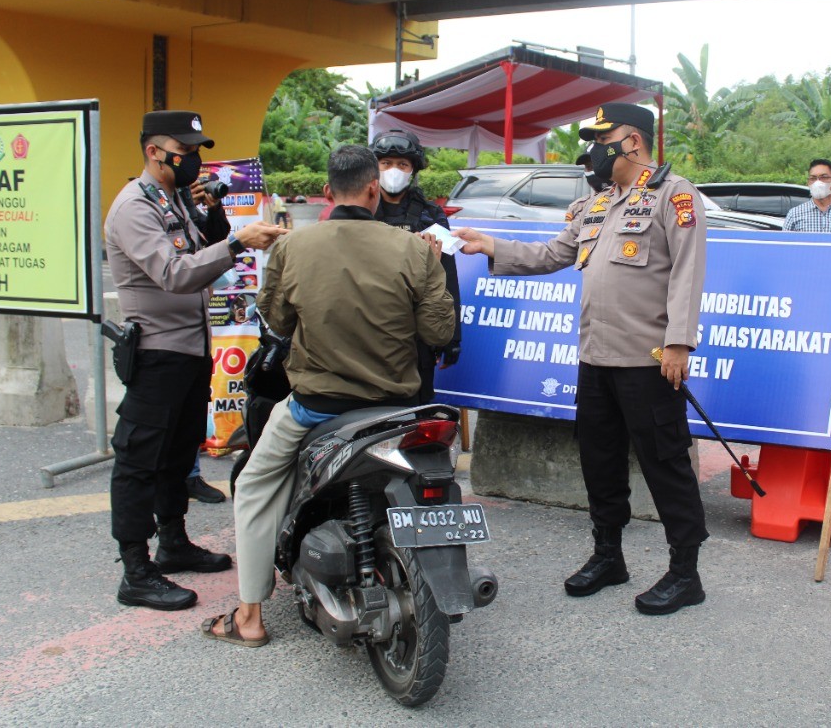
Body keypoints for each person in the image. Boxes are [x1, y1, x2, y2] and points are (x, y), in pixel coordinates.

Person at [454, 102, 710, 616]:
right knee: (600, 460)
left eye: (601, 137)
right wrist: (491, 246)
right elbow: (551, 254)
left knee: (665, 464)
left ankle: (685, 573)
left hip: (649, 359)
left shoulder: (674, 195)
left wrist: (680, 342)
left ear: (632, 142)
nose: (592, 148)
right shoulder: (596, 204)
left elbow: (687, 269)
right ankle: (608, 556)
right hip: (595, 358)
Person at [203, 144, 453, 647]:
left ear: (325, 192)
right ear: (373, 191)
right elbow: (440, 331)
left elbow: (276, 320)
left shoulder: (294, 248)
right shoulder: (412, 249)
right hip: (397, 408)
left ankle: (249, 616)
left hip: (317, 406)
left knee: (254, 485)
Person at [104, 110, 286, 611]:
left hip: (188, 348)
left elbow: (202, 247)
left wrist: (218, 218)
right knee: (139, 459)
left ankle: (173, 543)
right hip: (157, 351)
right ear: (154, 151)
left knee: (177, 454)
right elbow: (174, 273)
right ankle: (136, 571)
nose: (194, 160)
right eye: (185, 151)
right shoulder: (133, 208)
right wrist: (237, 243)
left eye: (198, 151)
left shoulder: (172, 199)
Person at [369, 128, 462, 402]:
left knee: (417, 411)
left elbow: (448, 277)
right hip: (370, 328)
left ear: (413, 169)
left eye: (402, 164)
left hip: (418, 332)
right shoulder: (363, 212)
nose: (393, 170)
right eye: (386, 163)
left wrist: (453, 338)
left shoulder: (429, 214)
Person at [783, 159, 831, 233]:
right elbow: (783, 242)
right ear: (808, 182)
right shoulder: (794, 214)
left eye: (824, 177)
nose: (817, 182)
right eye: (813, 178)